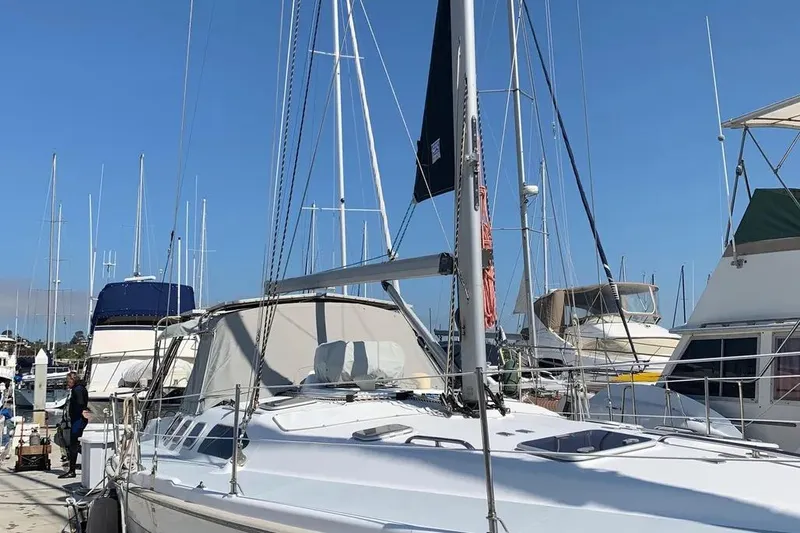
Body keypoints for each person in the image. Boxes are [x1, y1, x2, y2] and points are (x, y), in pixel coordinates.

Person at [58, 371, 88, 479]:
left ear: (73, 380)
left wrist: (77, 412)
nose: (67, 384)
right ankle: (74, 467)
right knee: (74, 444)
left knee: (73, 444)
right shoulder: (79, 388)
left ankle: (72, 470)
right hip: (77, 419)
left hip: (78, 419)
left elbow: (80, 404)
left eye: (68, 381)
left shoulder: (77, 389)